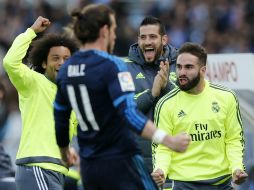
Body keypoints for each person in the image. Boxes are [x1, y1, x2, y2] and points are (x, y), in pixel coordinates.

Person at [53, 4, 190, 190]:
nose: (115, 35)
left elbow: (60, 118)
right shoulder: (113, 65)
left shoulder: (66, 70)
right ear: (104, 31)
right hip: (121, 161)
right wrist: (168, 140)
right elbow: (129, 113)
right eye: (114, 29)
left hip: (88, 165)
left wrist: (64, 153)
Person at [151, 42, 248, 190]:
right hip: (183, 184)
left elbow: (234, 139)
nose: (181, 72)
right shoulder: (165, 104)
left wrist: (237, 168)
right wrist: (160, 170)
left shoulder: (226, 97)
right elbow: (163, 146)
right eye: (178, 67)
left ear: (203, 70)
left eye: (188, 67)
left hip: (221, 183)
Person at [3, 16, 79, 190]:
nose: (61, 63)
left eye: (67, 59)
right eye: (56, 58)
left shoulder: (72, 97)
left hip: (58, 171)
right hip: (37, 166)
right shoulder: (33, 82)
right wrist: (31, 32)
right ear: (44, 63)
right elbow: (10, 62)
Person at [124, 16, 178, 173]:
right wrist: (151, 94)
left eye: (153, 37)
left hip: (176, 163)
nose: (147, 42)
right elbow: (124, 110)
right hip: (138, 164)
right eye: (143, 37)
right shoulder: (124, 68)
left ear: (164, 39)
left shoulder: (181, 64)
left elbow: (190, 106)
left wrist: (166, 85)